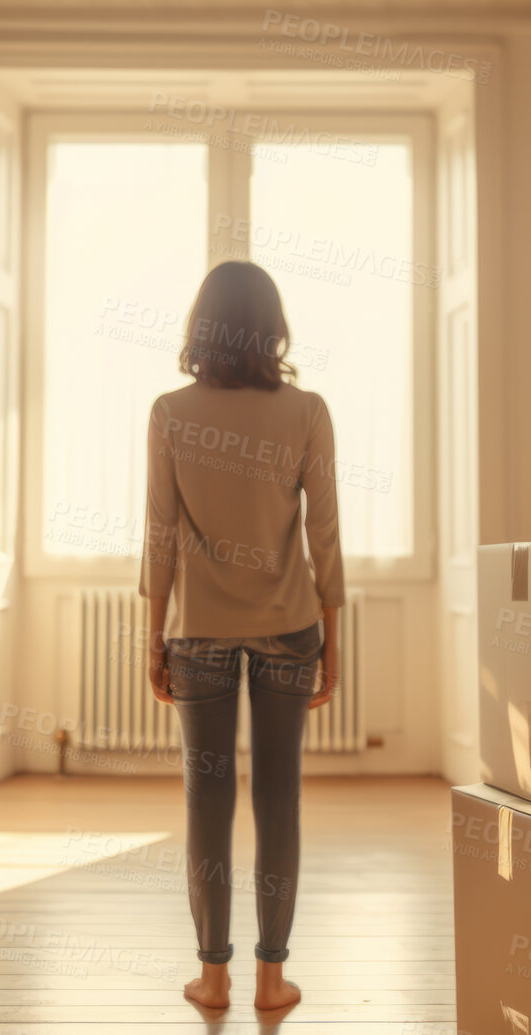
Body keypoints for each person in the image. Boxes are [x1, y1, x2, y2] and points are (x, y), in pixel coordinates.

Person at [140, 260, 346, 1013]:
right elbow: (323, 535)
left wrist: (150, 637)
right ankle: (271, 977)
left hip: (195, 634)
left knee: (207, 800)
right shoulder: (307, 410)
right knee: (279, 800)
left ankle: (214, 976)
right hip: (291, 629)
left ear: (202, 325)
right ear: (273, 326)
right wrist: (335, 644)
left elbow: (158, 534)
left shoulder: (168, 411)